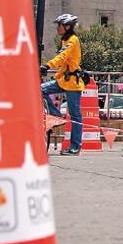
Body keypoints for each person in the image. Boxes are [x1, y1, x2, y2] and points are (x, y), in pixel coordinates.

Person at [41, 13, 85, 155]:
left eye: (59, 25)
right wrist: (55, 75)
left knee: (75, 115)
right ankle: (56, 115)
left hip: (72, 83)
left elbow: (62, 56)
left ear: (66, 26)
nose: (57, 28)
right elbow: (64, 63)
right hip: (63, 80)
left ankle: (75, 146)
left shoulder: (73, 40)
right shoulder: (65, 41)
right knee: (40, 89)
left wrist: (48, 65)